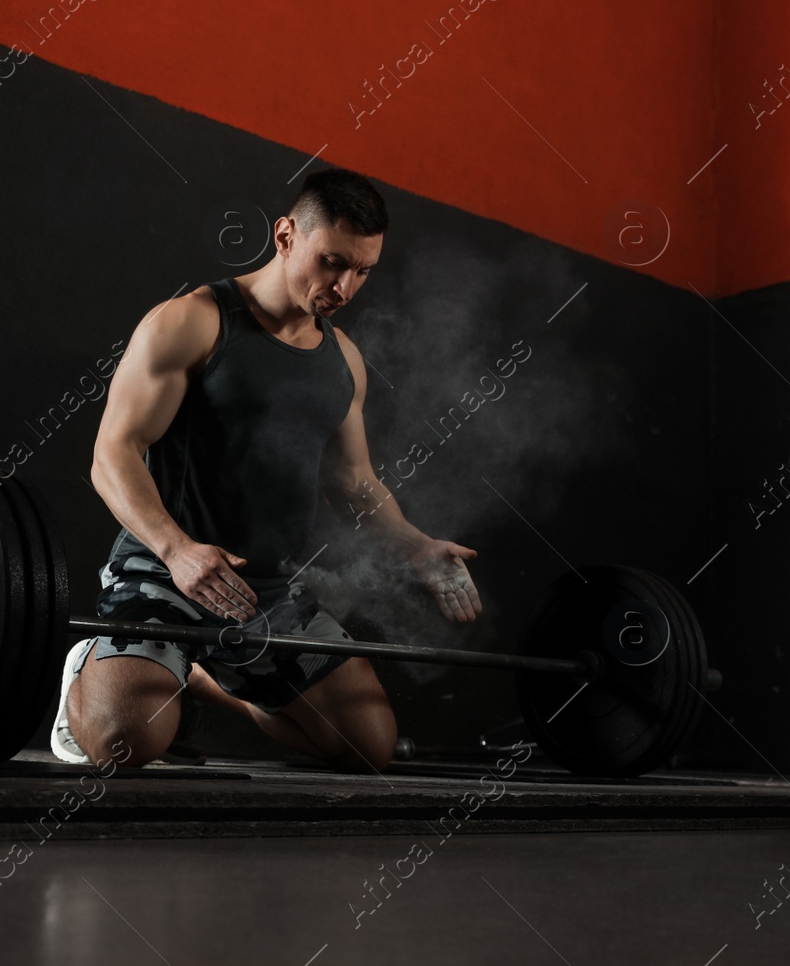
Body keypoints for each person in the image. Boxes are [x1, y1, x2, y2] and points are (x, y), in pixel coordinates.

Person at [51, 168, 483, 773]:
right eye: (332, 261)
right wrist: (177, 550)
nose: (345, 285)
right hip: (163, 572)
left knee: (367, 746)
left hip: (268, 592)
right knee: (123, 746)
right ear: (284, 235)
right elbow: (111, 454)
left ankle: (203, 679)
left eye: (363, 270)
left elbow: (353, 483)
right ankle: (86, 677)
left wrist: (416, 547)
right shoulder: (192, 322)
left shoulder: (343, 363)